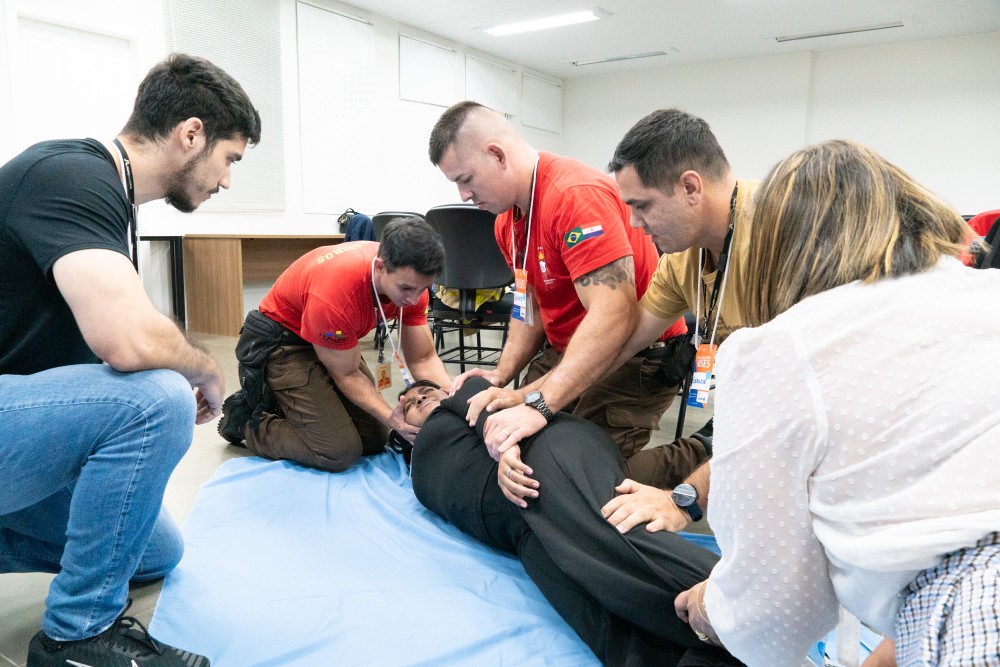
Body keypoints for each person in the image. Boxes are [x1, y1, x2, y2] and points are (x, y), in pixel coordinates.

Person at [671, 140, 1000, 666]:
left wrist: (715, 607)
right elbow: (962, 527)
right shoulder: (989, 296)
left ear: (776, 244)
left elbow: (777, 615)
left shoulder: (782, 348)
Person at [0, 53, 261, 667]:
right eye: (230, 160)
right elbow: (127, 341)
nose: (226, 181)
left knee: (155, 552)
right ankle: (77, 636)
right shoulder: (69, 175)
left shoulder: (109, 196)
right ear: (190, 134)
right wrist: (205, 368)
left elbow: (122, 326)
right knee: (157, 398)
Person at [428, 101, 697, 505]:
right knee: (512, 456)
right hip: (569, 349)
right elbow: (527, 308)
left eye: (466, 179)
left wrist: (537, 400)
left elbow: (614, 316)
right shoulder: (508, 221)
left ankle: (701, 454)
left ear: (497, 155)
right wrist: (500, 377)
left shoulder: (573, 196)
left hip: (637, 357)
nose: (463, 195)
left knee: (580, 486)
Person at [402, 378, 741, 667]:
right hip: (521, 528)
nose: (420, 397)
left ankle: (753, 609)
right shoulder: (418, 475)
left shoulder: (453, 404)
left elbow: (479, 396)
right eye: (409, 403)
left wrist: (505, 445)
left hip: (541, 452)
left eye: (426, 390)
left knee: (609, 539)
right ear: (402, 427)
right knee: (598, 616)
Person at [596, 109, 759, 532]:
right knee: (614, 489)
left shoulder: (776, 235)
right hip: (743, 415)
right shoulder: (682, 255)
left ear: (690, 186)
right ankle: (706, 448)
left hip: (806, 428)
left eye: (641, 205)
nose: (633, 222)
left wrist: (683, 501)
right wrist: (538, 402)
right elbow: (625, 340)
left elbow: (793, 410)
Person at [217, 216, 453, 473]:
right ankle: (247, 423)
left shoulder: (411, 283)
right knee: (337, 451)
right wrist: (390, 416)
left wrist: (457, 400)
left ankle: (303, 411)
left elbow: (423, 359)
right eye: (406, 288)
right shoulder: (337, 292)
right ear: (381, 268)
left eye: (423, 289)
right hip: (285, 344)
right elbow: (348, 374)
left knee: (375, 438)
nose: (414, 298)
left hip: (335, 342)